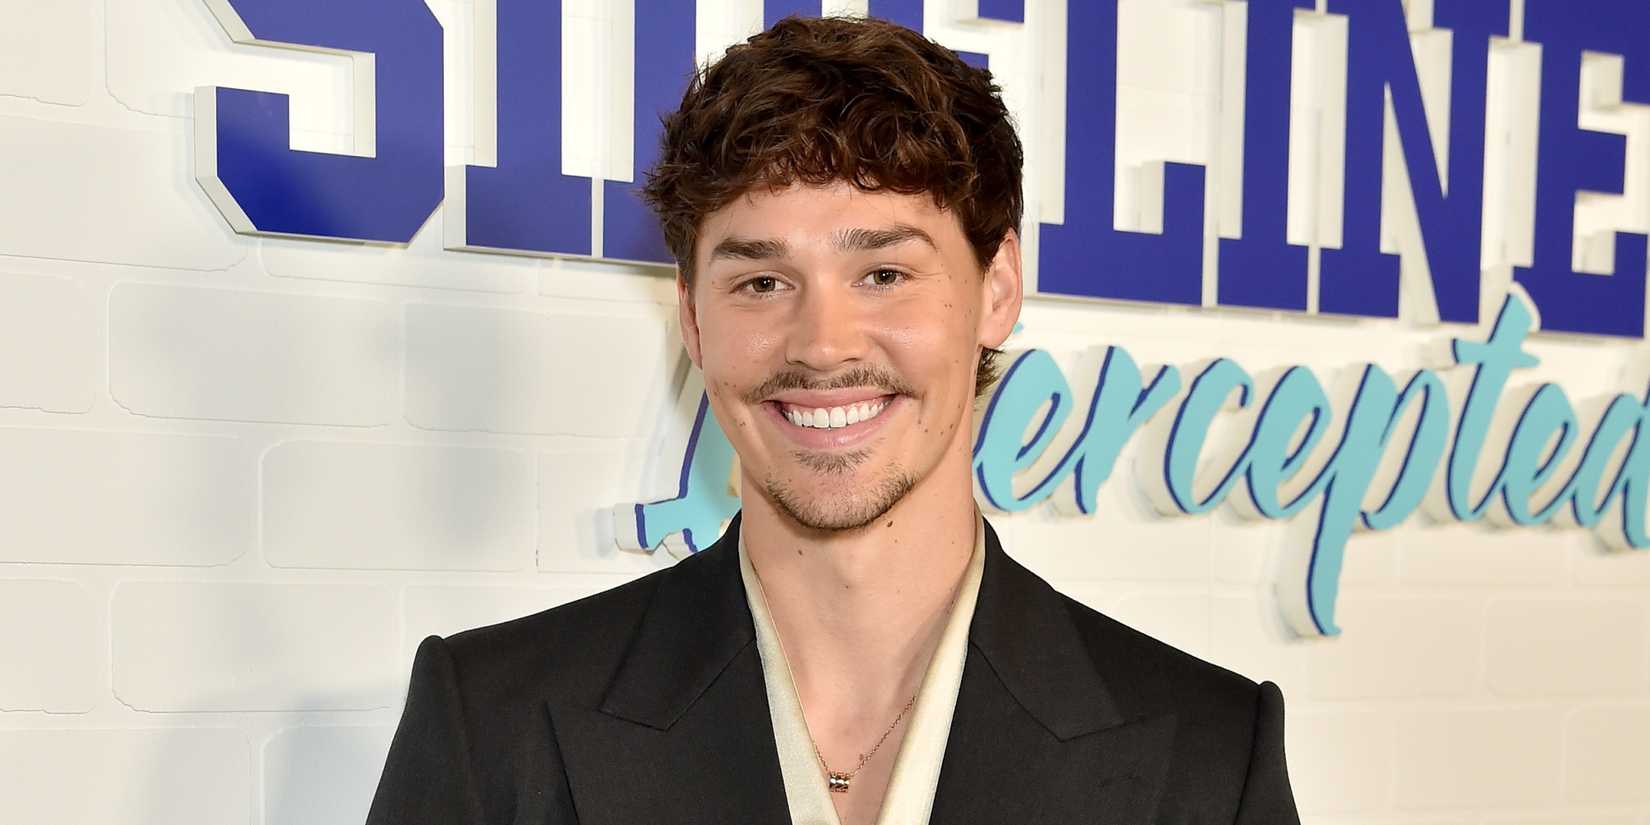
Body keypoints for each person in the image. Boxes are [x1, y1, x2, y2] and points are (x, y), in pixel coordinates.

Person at [366, 14, 1300, 825]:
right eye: (762, 281)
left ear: (998, 289)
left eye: (884, 273)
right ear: (693, 318)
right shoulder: (491, 723)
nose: (820, 343)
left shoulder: (1210, 756)